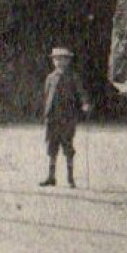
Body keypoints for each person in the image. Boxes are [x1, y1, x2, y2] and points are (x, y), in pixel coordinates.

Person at [40, 47, 91, 187]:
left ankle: (70, 178)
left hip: (68, 117)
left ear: (68, 61)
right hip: (52, 118)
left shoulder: (73, 77)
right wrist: (45, 113)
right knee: (52, 146)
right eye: (56, 59)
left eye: (63, 59)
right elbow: (46, 96)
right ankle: (51, 177)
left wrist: (85, 103)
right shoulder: (50, 77)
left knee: (67, 146)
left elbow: (81, 93)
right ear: (53, 61)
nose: (59, 62)